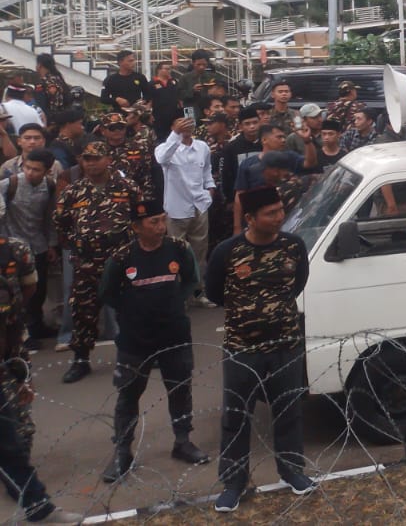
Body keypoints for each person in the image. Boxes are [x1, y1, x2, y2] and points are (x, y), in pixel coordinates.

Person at [206, 185, 315, 511]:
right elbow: (214, 293)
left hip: (285, 344)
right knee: (237, 416)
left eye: (281, 210)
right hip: (243, 347)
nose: (280, 217)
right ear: (251, 218)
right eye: (271, 213)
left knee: (288, 410)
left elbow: (298, 283)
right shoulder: (227, 251)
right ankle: (234, 482)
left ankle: (292, 470)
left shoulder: (293, 246)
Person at [98, 199, 209, 483]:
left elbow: (191, 281)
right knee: (128, 395)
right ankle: (123, 452)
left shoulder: (179, 249)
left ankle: (182, 441)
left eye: (163, 220)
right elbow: (108, 293)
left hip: (174, 334)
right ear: (136, 227)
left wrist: (172, 304)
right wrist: (134, 309)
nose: (161, 227)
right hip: (135, 340)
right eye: (154, 222)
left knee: (180, 390)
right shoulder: (122, 257)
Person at [0, 228, 77, 522]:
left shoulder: (14, 252)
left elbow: (26, 295)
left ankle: (38, 507)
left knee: (11, 440)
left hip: (8, 357)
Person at [53, 141, 138, 383]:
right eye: (87, 158)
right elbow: (61, 222)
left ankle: (137, 356)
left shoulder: (127, 187)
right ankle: (81, 361)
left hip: (121, 261)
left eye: (96, 158)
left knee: (131, 310)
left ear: (108, 159)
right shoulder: (73, 191)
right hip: (86, 263)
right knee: (83, 311)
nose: (91, 163)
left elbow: (140, 217)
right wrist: (79, 242)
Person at [1, 152, 56, 350]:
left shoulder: (49, 186)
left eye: (36, 169)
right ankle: (21, 335)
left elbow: (50, 218)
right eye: (27, 167)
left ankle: (37, 326)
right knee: (17, 293)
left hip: (38, 246)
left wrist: (51, 244)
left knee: (38, 291)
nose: (30, 172)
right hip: (13, 250)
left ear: (47, 171)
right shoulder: (10, 184)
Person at [155, 116, 215, 289]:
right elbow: (162, 159)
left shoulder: (202, 147)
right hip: (176, 209)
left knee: (200, 253)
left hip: (200, 205)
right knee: (175, 254)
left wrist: (209, 190)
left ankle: (198, 293)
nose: (186, 126)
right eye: (181, 124)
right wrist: (176, 134)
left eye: (189, 123)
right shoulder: (164, 148)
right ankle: (177, 296)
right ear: (173, 127)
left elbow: (207, 171)